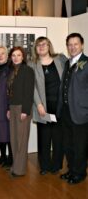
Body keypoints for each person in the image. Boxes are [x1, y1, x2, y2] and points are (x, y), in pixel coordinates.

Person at [30, 37, 67, 175]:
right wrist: (38, 104)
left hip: (59, 106)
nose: (41, 47)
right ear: (36, 48)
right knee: (44, 138)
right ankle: (44, 166)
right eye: (38, 45)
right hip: (42, 106)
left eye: (44, 44)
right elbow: (32, 87)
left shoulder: (61, 59)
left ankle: (56, 165)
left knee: (58, 138)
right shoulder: (32, 64)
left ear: (49, 45)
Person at [57, 33, 88, 184]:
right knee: (68, 145)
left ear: (82, 45)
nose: (72, 47)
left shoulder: (87, 63)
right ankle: (71, 170)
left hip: (81, 113)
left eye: (76, 44)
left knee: (80, 146)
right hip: (66, 112)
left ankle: (80, 173)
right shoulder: (67, 63)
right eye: (70, 44)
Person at [7, 46, 34, 177]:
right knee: (14, 139)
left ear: (23, 57)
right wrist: (8, 108)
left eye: (18, 55)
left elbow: (29, 92)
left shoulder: (27, 70)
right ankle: (15, 165)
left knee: (22, 140)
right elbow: (9, 92)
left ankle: (20, 169)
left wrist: (26, 110)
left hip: (23, 108)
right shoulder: (11, 71)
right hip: (12, 108)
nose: (16, 58)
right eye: (13, 55)